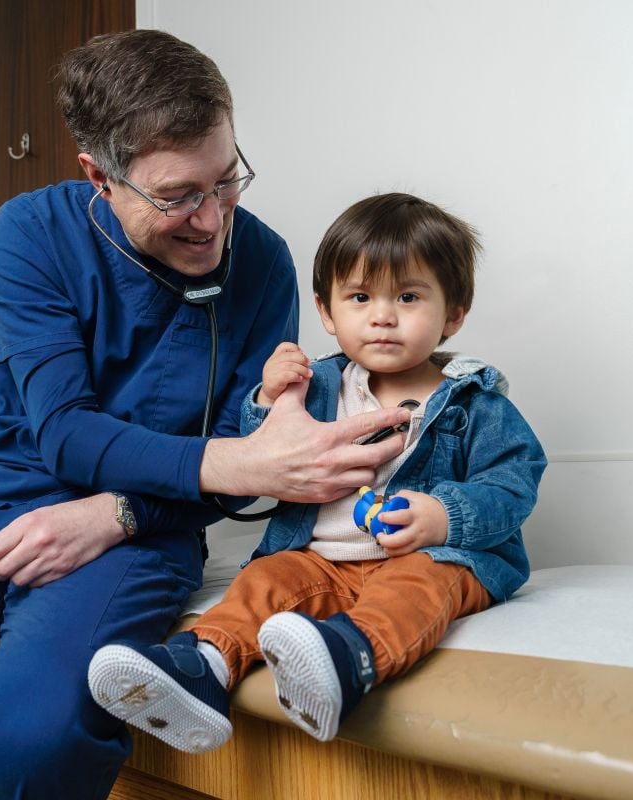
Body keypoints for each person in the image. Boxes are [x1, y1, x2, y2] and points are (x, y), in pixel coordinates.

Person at [0, 30, 410, 800]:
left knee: (37, 738)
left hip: (143, 527)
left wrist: (125, 512)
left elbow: (253, 466)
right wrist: (243, 464)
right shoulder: (32, 231)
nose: (211, 220)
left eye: (226, 179)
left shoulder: (261, 261)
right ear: (99, 176)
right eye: (177, 196)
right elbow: (70, 432)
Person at [87, 192, 547, 752]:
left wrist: (444, 516)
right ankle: (203, 666)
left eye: (408, 296)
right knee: (267, 580)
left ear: (453, 312)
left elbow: (513, 484)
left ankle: (348, 657)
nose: (382, 316)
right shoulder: (319, 384)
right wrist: (267, 397)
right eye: (360, 297)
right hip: (320, 560)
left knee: (421, 585)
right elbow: (261, 449)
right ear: (327, 312)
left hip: (428, 558)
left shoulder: (474, 403)